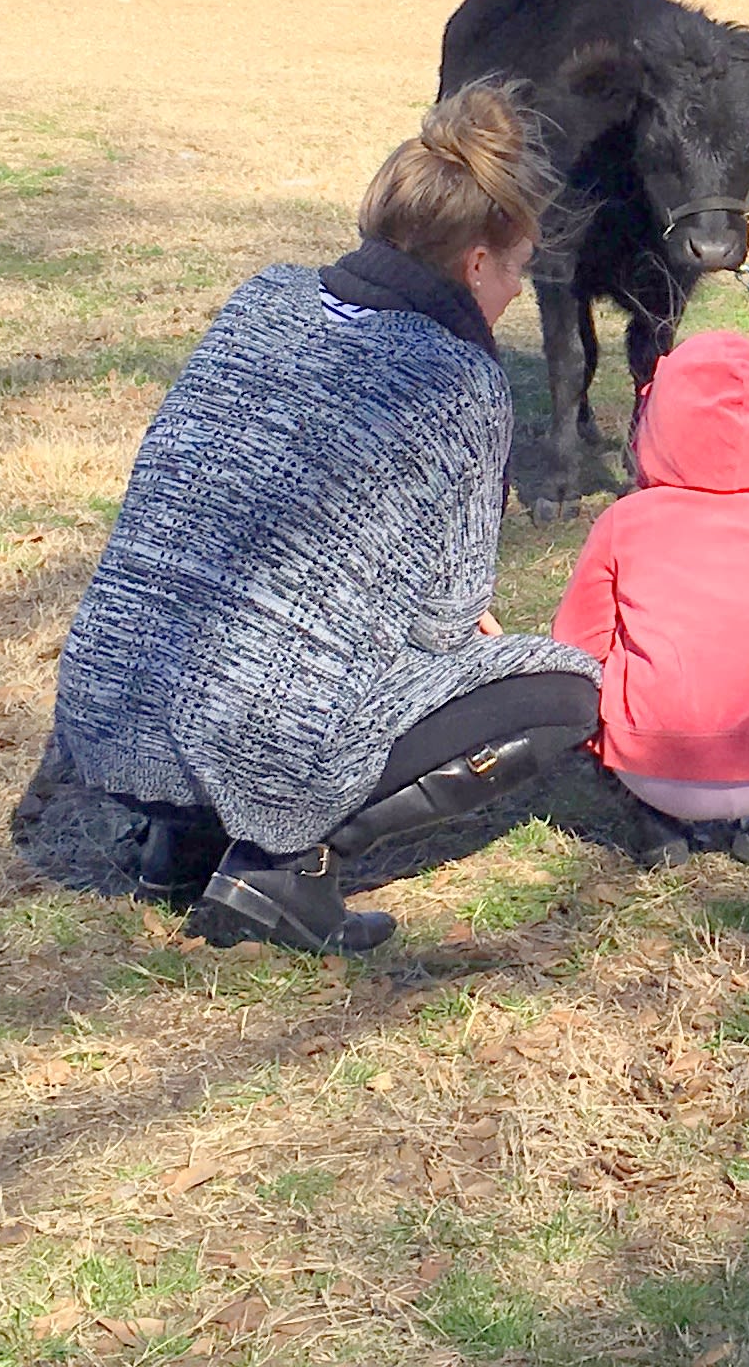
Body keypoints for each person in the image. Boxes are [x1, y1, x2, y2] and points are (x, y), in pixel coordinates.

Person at [52, 84, 603, 952]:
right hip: (250, 732)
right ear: (475, 266)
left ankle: (180, 839)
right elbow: (443, 619)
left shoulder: (260, 299)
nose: (512, 294)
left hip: (105, 708)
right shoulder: (458, 378)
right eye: (517, 269)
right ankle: (279, 868)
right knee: (564, 687)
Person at [551, 329, 749, 867]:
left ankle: (648, 821)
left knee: (573, 673)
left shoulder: (621, 524)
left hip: (651, 764)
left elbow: (574, 647)